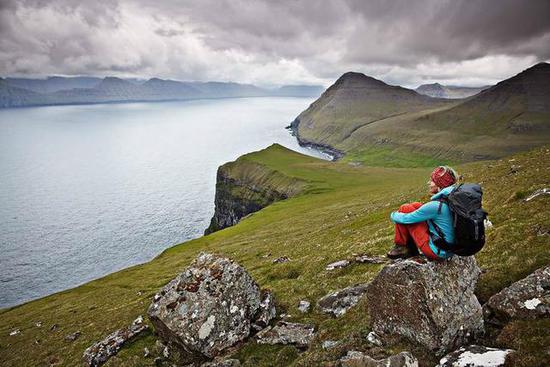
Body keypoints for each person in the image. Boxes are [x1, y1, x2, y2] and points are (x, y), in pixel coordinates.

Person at [386, 166, 458, 261]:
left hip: (437, 252)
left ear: (440, 184)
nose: (429, 183)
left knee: (405, 209)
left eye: (432, 181)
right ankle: (404, 247)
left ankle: (402, 247)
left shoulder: (436, 206)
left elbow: (406, 219)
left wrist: (393, 214)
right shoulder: (452, 199)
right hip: (449, 248)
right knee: (415, 205)